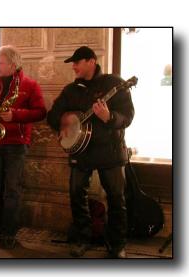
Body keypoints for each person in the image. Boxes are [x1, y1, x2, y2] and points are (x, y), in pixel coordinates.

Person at [47, 46, 135, 258]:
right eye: (73, 63)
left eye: (77, 62)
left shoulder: (115, 83)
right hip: (80, 152)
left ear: (91, 61)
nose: (74, 66)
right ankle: (82, 238)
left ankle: (117, 245)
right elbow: (52, 116)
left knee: (116, 198)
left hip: (110, 152)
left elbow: (128, 116)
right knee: (76, 194)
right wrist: (65, 124)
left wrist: (109, 117)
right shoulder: (71, 90)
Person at [0, 45, 46, 249]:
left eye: (1, 63)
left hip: (17, 144)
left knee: (12, 190)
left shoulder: (29, 85)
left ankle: (8, 233)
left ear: (13, 64)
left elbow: (40, 112)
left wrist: (16, 115)